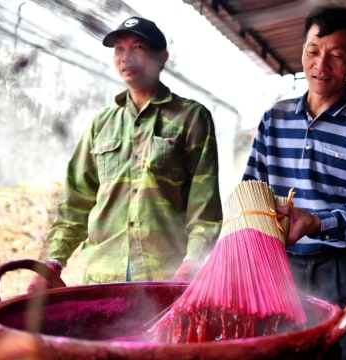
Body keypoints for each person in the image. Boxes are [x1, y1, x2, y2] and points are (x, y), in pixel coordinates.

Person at [242, 5, 346, 359]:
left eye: (336, 55)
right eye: (313, 52)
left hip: (345, 268)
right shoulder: (274, 119)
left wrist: (317, 222)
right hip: (282, 269)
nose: (320, 66)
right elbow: (250, 188)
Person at [28, 16, 222, 290]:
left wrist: (193, 263)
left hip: (165, 276)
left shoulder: (190, 117)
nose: (125, 57)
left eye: (138, 47)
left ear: (161, 57)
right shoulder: (102, 123)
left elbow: (205, 208)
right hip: (102, 275)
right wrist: (52, 261)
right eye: (119, 49)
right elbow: (76, 200)